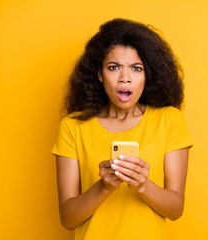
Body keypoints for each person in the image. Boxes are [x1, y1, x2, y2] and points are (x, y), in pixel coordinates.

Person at [51, 18, 193, 240]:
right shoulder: (72, 126)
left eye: (137, 69)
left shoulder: (169, 120)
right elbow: (68, 219)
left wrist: (142, 185)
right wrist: (104, 187)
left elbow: (175, 209)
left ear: (148, 75)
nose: (125, 78)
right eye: (113, 67)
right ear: (99, 74)